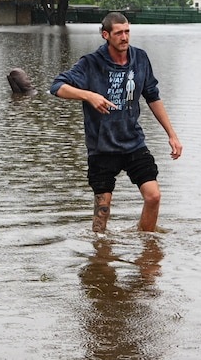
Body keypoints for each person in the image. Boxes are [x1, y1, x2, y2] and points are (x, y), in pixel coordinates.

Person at [50, 12, 182, 233]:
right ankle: (99, 255)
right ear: (106, 35)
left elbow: (152, 96)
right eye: (119, 33)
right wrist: (88, 96)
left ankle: (146, 243)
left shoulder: (140, 59)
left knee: (154, 196)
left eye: (127, 31)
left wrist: (172, 134)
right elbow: (57, 87)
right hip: (102, 147)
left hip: (133, 142)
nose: (124, 37)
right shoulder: (91, 63)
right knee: (102, 209)